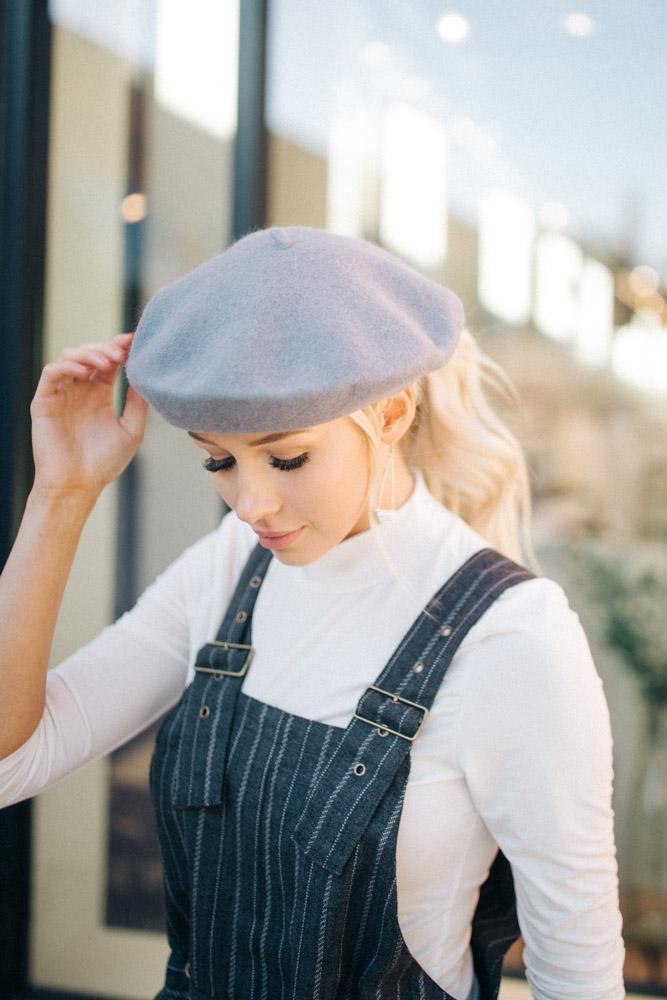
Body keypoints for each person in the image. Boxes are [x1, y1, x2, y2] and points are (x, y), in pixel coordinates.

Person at [0, 226, 626, 1000]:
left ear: (392, 411)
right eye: (219, 460)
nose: (251, 503)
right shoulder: (231, 567)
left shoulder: (510, 638)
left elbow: (578, 968)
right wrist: (62, 494)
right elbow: (10, 762)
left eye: (286, 457)